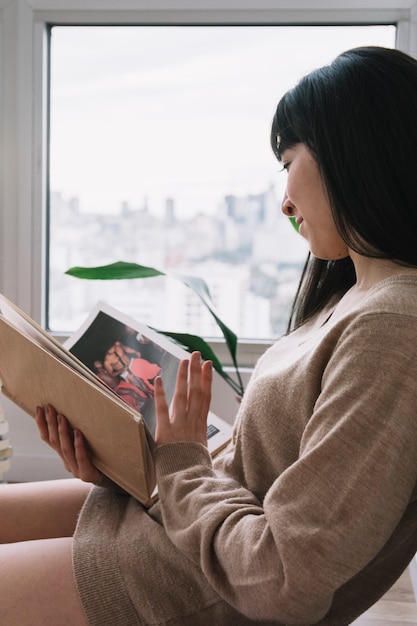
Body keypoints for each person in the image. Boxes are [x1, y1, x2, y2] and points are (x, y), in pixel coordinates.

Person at [2, 45, 417, 625]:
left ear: (353, 153)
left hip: (191, 582)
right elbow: (258, 466)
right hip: (178, 525)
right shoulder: (357, 295)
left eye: (288, 158)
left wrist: (180, 461)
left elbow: (285, 579)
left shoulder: (394, 326)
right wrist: (125, 456)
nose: (284, 201)